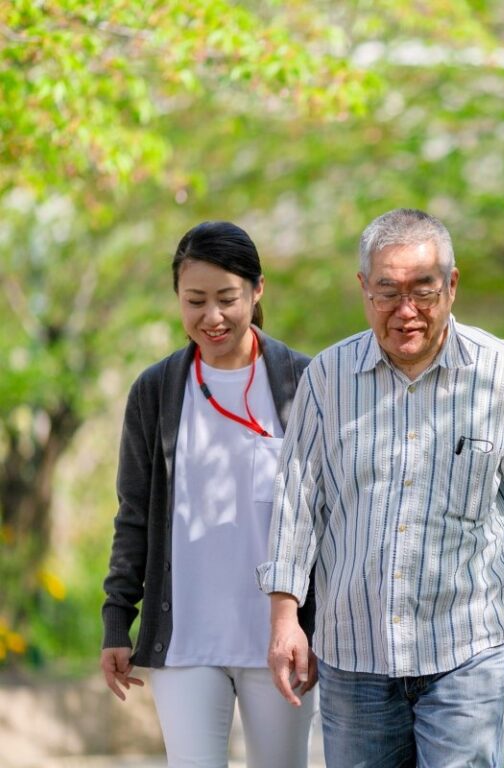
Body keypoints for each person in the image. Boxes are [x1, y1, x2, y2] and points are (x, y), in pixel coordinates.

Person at [256, 208, 504, 767]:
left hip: (464, 650)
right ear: (364, 290)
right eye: (388, 292)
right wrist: (286, 618)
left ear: (451, 286)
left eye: (423, 291)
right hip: (354, 656)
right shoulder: (327, 380)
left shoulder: (501, 376)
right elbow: (296, 506)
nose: (406, 311)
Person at [100, 221, 318, 768]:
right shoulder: (156, 390)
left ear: (257, 290)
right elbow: (133, 515)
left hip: (281, 640)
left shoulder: (305, 383)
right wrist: (115, 619)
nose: (211, 316)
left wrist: (317, 627)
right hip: (186, 640)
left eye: (227, 298)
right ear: (177, 296)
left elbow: (329, 517)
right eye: (194, 300)